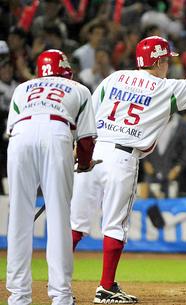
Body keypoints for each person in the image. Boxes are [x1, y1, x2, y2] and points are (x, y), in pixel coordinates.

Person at [70, 20, 186, 303]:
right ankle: (106, 286)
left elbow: (86, 116)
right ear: (159, 61)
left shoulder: (113, 78)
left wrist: (79, 149)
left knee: (75, 225)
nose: (168, 65)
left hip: (92, 152)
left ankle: (58, 285)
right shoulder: (165, 88)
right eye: (166, 60)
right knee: (114, 226)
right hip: (122, 158)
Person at [6, 49, 97, 305]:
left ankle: (19, 297)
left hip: (20, 137)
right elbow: (87, 139)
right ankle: (61, 296)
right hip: (57, 133)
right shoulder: (77, 88)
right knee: (58, 218)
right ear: (66, 69)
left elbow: (12, 129)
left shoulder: (23, 88)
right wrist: (84, 163)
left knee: (19, 219)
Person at [141, 112, 186, 198]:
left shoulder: (180, 123)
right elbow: (142, 140)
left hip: (171, 171)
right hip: (152, 170)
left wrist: (178, 167)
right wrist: (145, 160)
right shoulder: (151, 119)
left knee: (171, 205)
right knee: (148, 203)